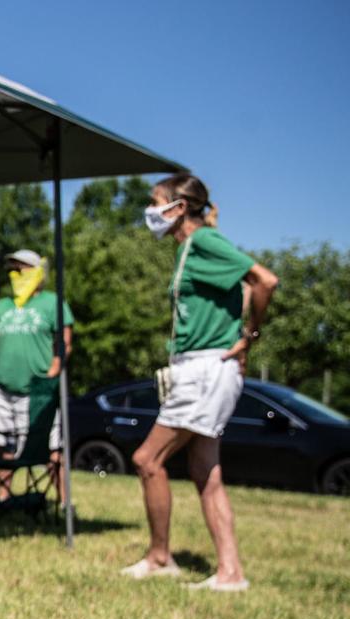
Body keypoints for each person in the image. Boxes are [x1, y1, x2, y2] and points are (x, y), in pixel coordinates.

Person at [124, 173, 278, 591]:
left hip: (206, 370)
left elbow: (264, 280)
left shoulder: (206, 242)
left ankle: (159, 557)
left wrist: (250, 336)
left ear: (179, 207)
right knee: (204, 470)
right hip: (199, 366)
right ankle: (230, 572)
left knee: (147, 459)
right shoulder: (188, 249)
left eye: (156, 202)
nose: (150, 212)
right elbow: (244, 290)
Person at [0, 249, 73, 498]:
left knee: (50, 448)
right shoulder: (3, 306)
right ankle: (3, 497)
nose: (15, 273)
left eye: (21, 268)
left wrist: (51, 376)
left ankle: (64, 502)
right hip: (2, 389)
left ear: (38, 272)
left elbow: (64, 342)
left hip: (37, 394)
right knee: (4, 446)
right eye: (12, 269)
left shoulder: (52, 302)